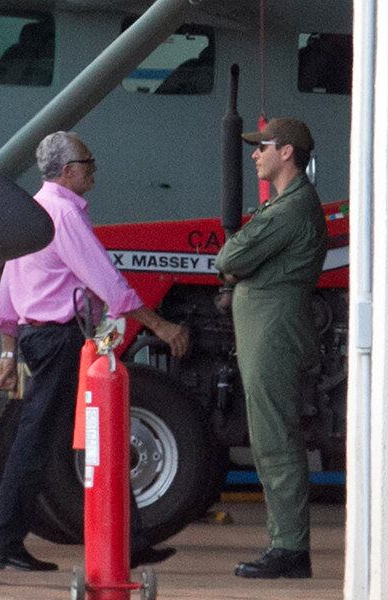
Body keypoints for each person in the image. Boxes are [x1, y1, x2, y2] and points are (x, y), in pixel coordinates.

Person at [0, 131, 190, 571]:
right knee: (45, 442)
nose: (93, 168)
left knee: (85, 435)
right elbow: (106, 280)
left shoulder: (34, 211)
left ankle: (130, 540)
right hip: (61, 340)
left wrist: (7, 351)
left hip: (41, 338)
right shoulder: (63, 214)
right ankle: (1, 543)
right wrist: (160, 324)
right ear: (67, 171)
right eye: (87, 161)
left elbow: (7, 293)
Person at [215, 118, 327, 579]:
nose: (255, 154)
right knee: (271, 439)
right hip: (269, 331)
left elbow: (228, 259)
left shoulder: (290, 210)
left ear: (287, 152)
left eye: (263, 146)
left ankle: (289, 549)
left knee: (276, 442)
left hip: (275, 334)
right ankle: (285, 545)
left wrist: (239, 271)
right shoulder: (285, 206)